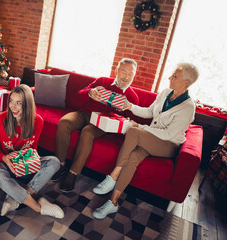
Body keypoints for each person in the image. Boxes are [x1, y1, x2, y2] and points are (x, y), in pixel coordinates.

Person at [92, 63, 199, 219]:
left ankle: (113, 175)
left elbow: (168, 134)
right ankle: (113, 202)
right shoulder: (165, 93)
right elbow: (149, 112)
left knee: (134, 132)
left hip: (168, 144)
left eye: (174, 77)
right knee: (133, 157)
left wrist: (140, 126)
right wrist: (129, 106)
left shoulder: (188, 107)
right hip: (153, 139)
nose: (170, 78)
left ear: (186, 83)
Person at [51, 58, 140, 192]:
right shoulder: (102, 81)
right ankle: (60, 165)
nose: (126, 77)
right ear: (116, 70)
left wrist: (124, 119)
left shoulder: (132, 98)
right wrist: (90, 93)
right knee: (64, 122)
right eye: (123, 72)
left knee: (87, 132)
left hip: (103, 123)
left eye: (130, 74)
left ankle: (73, 173)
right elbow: (77, 96)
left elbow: (128, 124)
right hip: (84, 114)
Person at [0, 84, 64, 218]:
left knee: (54, 162)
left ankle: (15, 198)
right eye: (11, 101)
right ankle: (38, 207)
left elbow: (33, 148)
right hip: (7, 166)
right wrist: (4, 158)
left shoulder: (38, 121)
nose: (13, 106)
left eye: (18, 103)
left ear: (27, 104)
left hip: (26, 167)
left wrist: (30, 160)